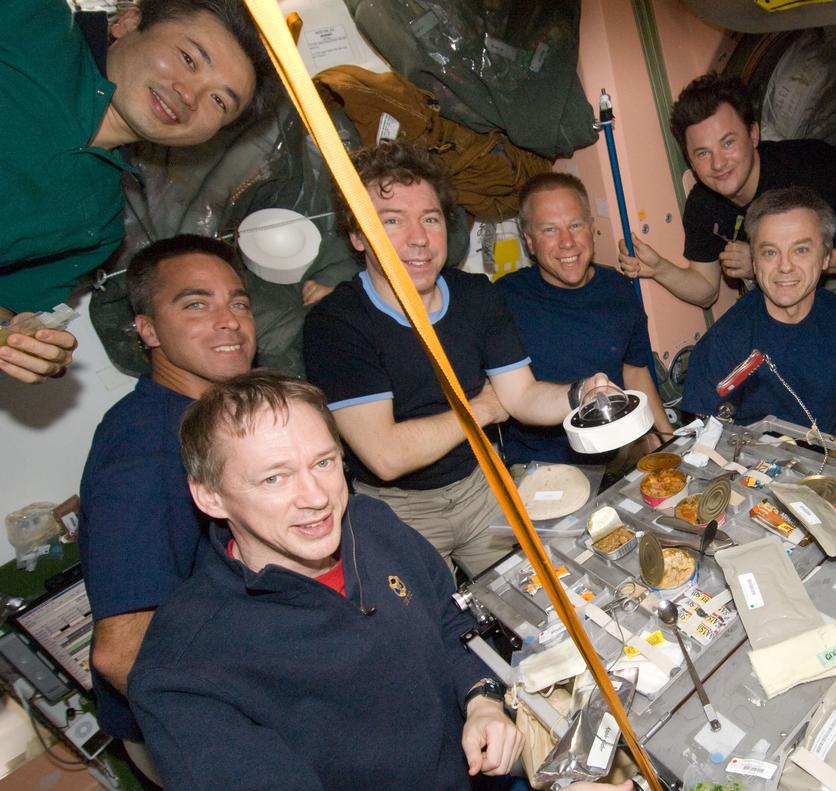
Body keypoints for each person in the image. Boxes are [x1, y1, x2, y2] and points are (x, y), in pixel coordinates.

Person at [127, 371, 660, 791]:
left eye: (323, 463)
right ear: (210, 497)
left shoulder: (369, 523)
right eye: (274, 477)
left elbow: (452, 621)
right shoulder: (183, 669)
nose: (315, 497)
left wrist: (479, 698)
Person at [303, 141, 614, 575]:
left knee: (533, 594)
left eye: (430, 219)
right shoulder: (337, 323)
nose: (418, 239)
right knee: (436, 629)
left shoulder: (476, 296)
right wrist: (483, 408)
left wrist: (581, 392)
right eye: (391, 221)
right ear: (357, 235)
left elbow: (522, 396)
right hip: (399, 508)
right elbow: (387, 455)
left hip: (480, 485)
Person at [0, 0, 271, 384]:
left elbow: (8, 307)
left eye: (218, 101)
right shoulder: (34, 21)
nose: (189, 95)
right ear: (130, 20)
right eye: (189, 59)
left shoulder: (100, 224)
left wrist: (19, 336)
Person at [79, 235, 256, 746]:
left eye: (238, 302)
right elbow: (121, 652)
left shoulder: (209, 415)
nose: (230, 320)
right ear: (147, 330)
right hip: (190, 725)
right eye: (197, 304)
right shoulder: (146, 450)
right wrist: (240, 739)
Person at [618, 74, 836, 307]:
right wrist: (659, 268)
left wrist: (761, 260)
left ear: (753, 135)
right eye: (703, 153)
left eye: (728, 143)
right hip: (779, 293)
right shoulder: (704, 204)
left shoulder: (810, 163)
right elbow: (706, 290)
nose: (718, 164)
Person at [681, 187, 836, 443]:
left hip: (825, 465)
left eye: (800, 250)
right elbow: (704, 441)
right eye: (770, 252)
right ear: (755, 263)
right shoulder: (721, 342)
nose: (785, 266)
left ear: (825, 257)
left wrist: (819, 478)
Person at [496, 172, 672, 465]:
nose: (567, 242)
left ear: (592, 228)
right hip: (543, 464)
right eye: (549, 230)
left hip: (618, 452)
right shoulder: (504, 299)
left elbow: (635, 372)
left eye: (575, 225)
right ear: (529, 241)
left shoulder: (617, 288)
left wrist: (669, 441)